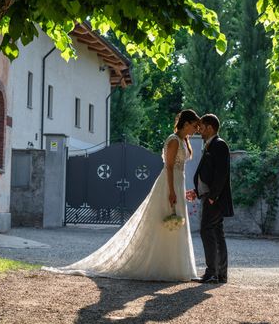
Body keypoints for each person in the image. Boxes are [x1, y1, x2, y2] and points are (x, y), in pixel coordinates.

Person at [43, 110, 200, 282]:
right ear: (186, 123)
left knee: (173, 224)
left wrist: (180, 189)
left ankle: (173, 267)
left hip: (177, 182)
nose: (196, 129)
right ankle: (159, 265)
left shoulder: (185, 141)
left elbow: (179, 170)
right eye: (194, 125)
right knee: (162, 220)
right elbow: (169, 167)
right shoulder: (173, 140)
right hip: (169, 184)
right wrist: (171, 191)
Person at [187, 113, 234, 284]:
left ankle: (212, 273)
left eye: (201, 127)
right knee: (216, 232)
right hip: (210, 196)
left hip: (215, 199)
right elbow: (208, 175)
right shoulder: (211, 145)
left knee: (207, 231)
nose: (199, 130)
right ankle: (219, 274)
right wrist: (197, 191)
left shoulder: (219, 145)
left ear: (210, 127)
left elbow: (221, 174)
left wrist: (213, 196)